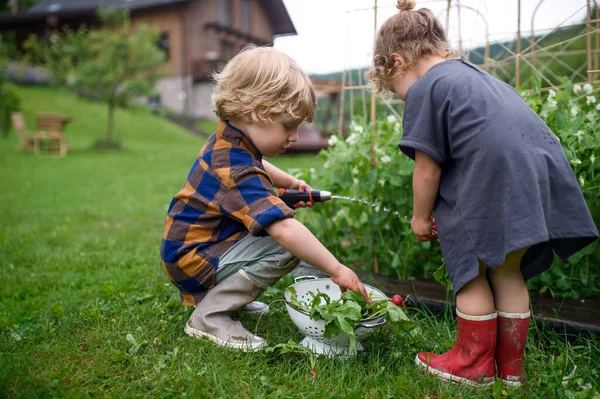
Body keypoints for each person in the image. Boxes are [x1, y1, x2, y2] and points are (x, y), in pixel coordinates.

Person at [366, 0, 599, 387]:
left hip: (494, 178)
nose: (405, 98)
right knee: (507, 270)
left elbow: (427, 168)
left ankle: (473, 364)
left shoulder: (428, 86)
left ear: (398, 61)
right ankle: (510, 369)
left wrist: (421, 217)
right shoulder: (479, 77)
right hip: (537, 172)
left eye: (397, 90)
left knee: (471, 273)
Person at [160, 45, 369, 352]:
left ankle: (222, 298)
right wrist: (336, 269)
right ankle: (210, 314)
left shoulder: (229, 142)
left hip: (189, 251)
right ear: (252, 110)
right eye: (289, 126)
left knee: (265, 233)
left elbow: (258, 166)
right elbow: (284, 229)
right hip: (194, 259)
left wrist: (287, 182)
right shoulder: (237, 168)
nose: (295, 136)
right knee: (281, 247)